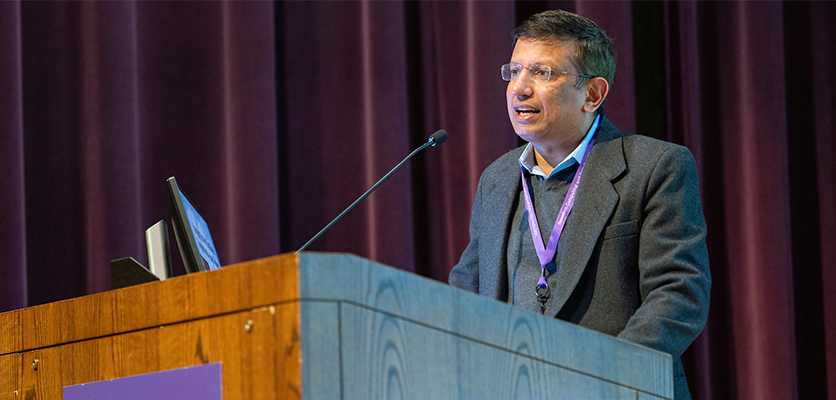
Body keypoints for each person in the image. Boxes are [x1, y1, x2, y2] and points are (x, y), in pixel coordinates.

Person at [448, 10, 710, 399]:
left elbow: (678, 293)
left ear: (593, 94)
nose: (519, 88)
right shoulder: (497, 179)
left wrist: (600, 378)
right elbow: (465, 293)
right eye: (515, 70)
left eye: (542, 73)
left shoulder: (654, 167)